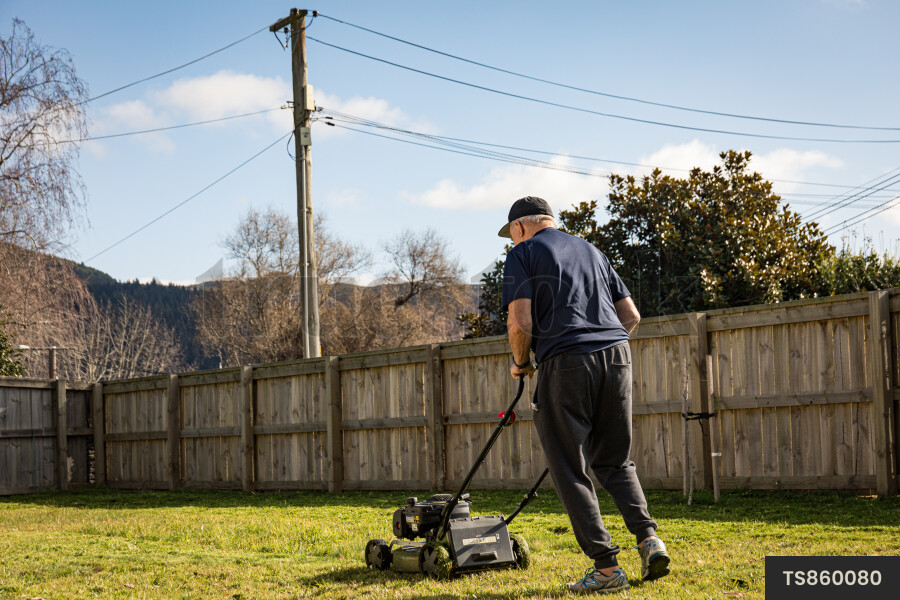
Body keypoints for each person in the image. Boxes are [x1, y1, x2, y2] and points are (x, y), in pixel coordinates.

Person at [499, 196, 670, 594]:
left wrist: (521, 363)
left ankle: (607, 569)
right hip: (617, 356)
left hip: (567, 361)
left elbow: (519, 322)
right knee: (615, 461)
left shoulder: (523, 254)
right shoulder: (592, 251)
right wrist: (603, 345)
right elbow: (630, 316)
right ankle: (649, 540)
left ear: (520, 227)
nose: (513, 240)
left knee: (568, 466)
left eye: (512, 234)